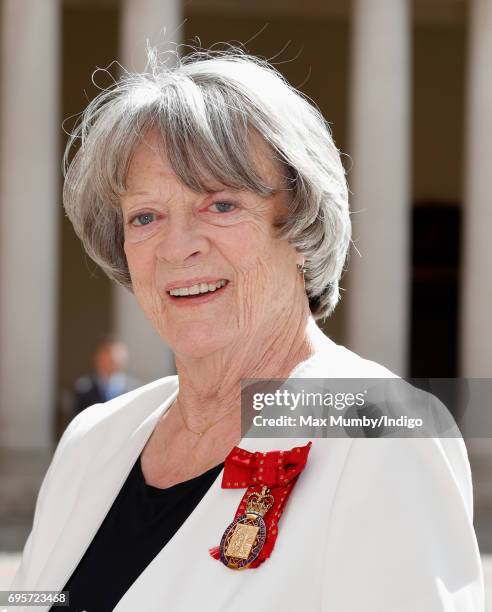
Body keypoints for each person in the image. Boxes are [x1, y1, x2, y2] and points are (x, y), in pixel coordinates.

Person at [6, 47, 483, 612]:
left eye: (222, 205)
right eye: (145, 216)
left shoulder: (382, 435)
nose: (178, 247)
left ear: (301, 222)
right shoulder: (95, 439)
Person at [73, 336, 141, 415]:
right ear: (97, 357)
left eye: (118, 353)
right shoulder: (84, 388)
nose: (113, 357)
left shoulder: (136, 390)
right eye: (107, 352)